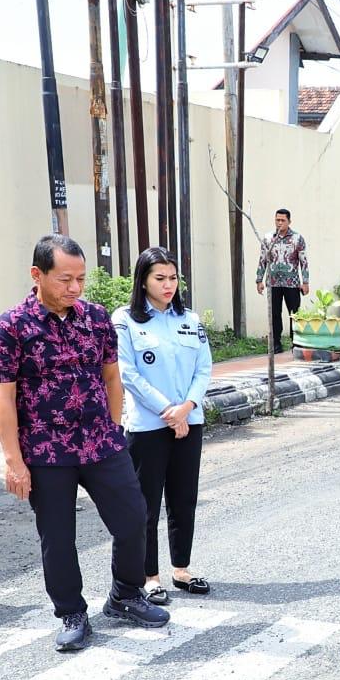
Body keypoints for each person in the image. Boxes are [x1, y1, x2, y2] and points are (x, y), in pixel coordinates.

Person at [0, 235, 169, 652]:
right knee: (58, 535)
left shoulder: (97, 318)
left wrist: (115, 427)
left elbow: (111, 377)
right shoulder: (9, 330)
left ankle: (125, 594)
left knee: (134, 517)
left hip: (101, 442)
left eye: (81, 279)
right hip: (47, 451)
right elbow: (3, 399)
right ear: (37, 275)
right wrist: (13, 461)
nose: (75, 288)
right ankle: (71, 611)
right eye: (65, 279)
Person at [114, 248, 214, 606]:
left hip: (190, 420)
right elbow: (127, 373)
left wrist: (186, 408)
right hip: (147, 425)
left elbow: (203, 368)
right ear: (143, 280)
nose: (168, 285)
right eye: (160, 278)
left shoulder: (190, 318)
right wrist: (168, 410)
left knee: (184, 497)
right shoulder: (125, 320)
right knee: (146, 503)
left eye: (173, 278)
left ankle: (181, 568)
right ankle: (149, 576)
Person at [257, 208, 308, 352]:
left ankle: (297, 342)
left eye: (282, 220)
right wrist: (259, 280)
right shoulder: (268, 238)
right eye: (277, 220)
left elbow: (304, 261)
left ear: (289, 221)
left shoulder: (297, 239)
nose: (279, 223)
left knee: (294, 313)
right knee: (274, 313)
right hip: (273, 283)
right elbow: (262, 260)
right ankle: (276, 343)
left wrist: (305, 282)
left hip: (292, 283)